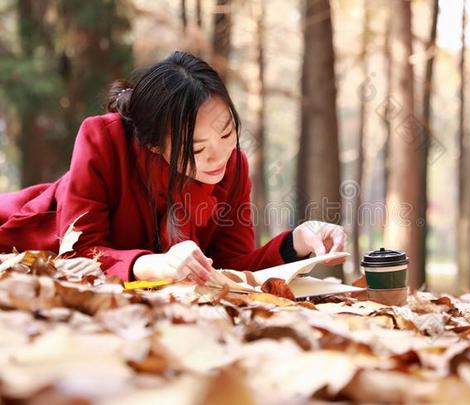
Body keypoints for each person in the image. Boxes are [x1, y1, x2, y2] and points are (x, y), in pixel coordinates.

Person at [0, 51, 346, 284]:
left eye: (227, 133)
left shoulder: (233, 164)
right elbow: (77, 249)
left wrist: (295, 243)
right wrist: (151, 264)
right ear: (152, 144)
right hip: (23, 243)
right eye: (196, 148)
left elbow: (229, 266)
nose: (219, 156)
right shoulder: (103, 139)